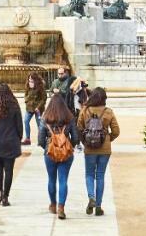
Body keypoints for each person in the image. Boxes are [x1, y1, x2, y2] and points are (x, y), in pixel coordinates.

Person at [78, 86, 120, 216]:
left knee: (89, 174)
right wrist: (107, 139)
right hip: (105, 149)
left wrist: (85, 141)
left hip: (89, 148)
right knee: (100, 175)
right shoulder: (108, 112)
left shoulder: (85, 110)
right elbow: (116, 131)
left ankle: (91, 197)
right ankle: (98, 207)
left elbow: (79, 128)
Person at [39, 93, 80, 219]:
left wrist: (48, 146)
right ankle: (61, 207)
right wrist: (68, 146)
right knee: (63, 180)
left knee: (51, 179)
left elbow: (40, 139)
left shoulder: (45, 117)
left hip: (50, 153)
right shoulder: (69, 117)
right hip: (66, 154)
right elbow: (76, 138)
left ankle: (52, 204)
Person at [0, 83, 23, 207]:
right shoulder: (14, 105)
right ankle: (5, 197)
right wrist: (19, 138)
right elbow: (19, 125)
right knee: (9, 170)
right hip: (11, 138)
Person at [23, 72, 46, 144]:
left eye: (32, 81)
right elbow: (25, 95)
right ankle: (27, 139)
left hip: (38, 109)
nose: (30, 82)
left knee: (39, 124)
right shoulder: (28, 86)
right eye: (29, 81)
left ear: (36, 81)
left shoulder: (40, 87)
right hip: (29, 108)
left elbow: (44, 99)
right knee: (26, 121)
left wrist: (38, 107)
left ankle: (41, 140)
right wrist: (26, 100)